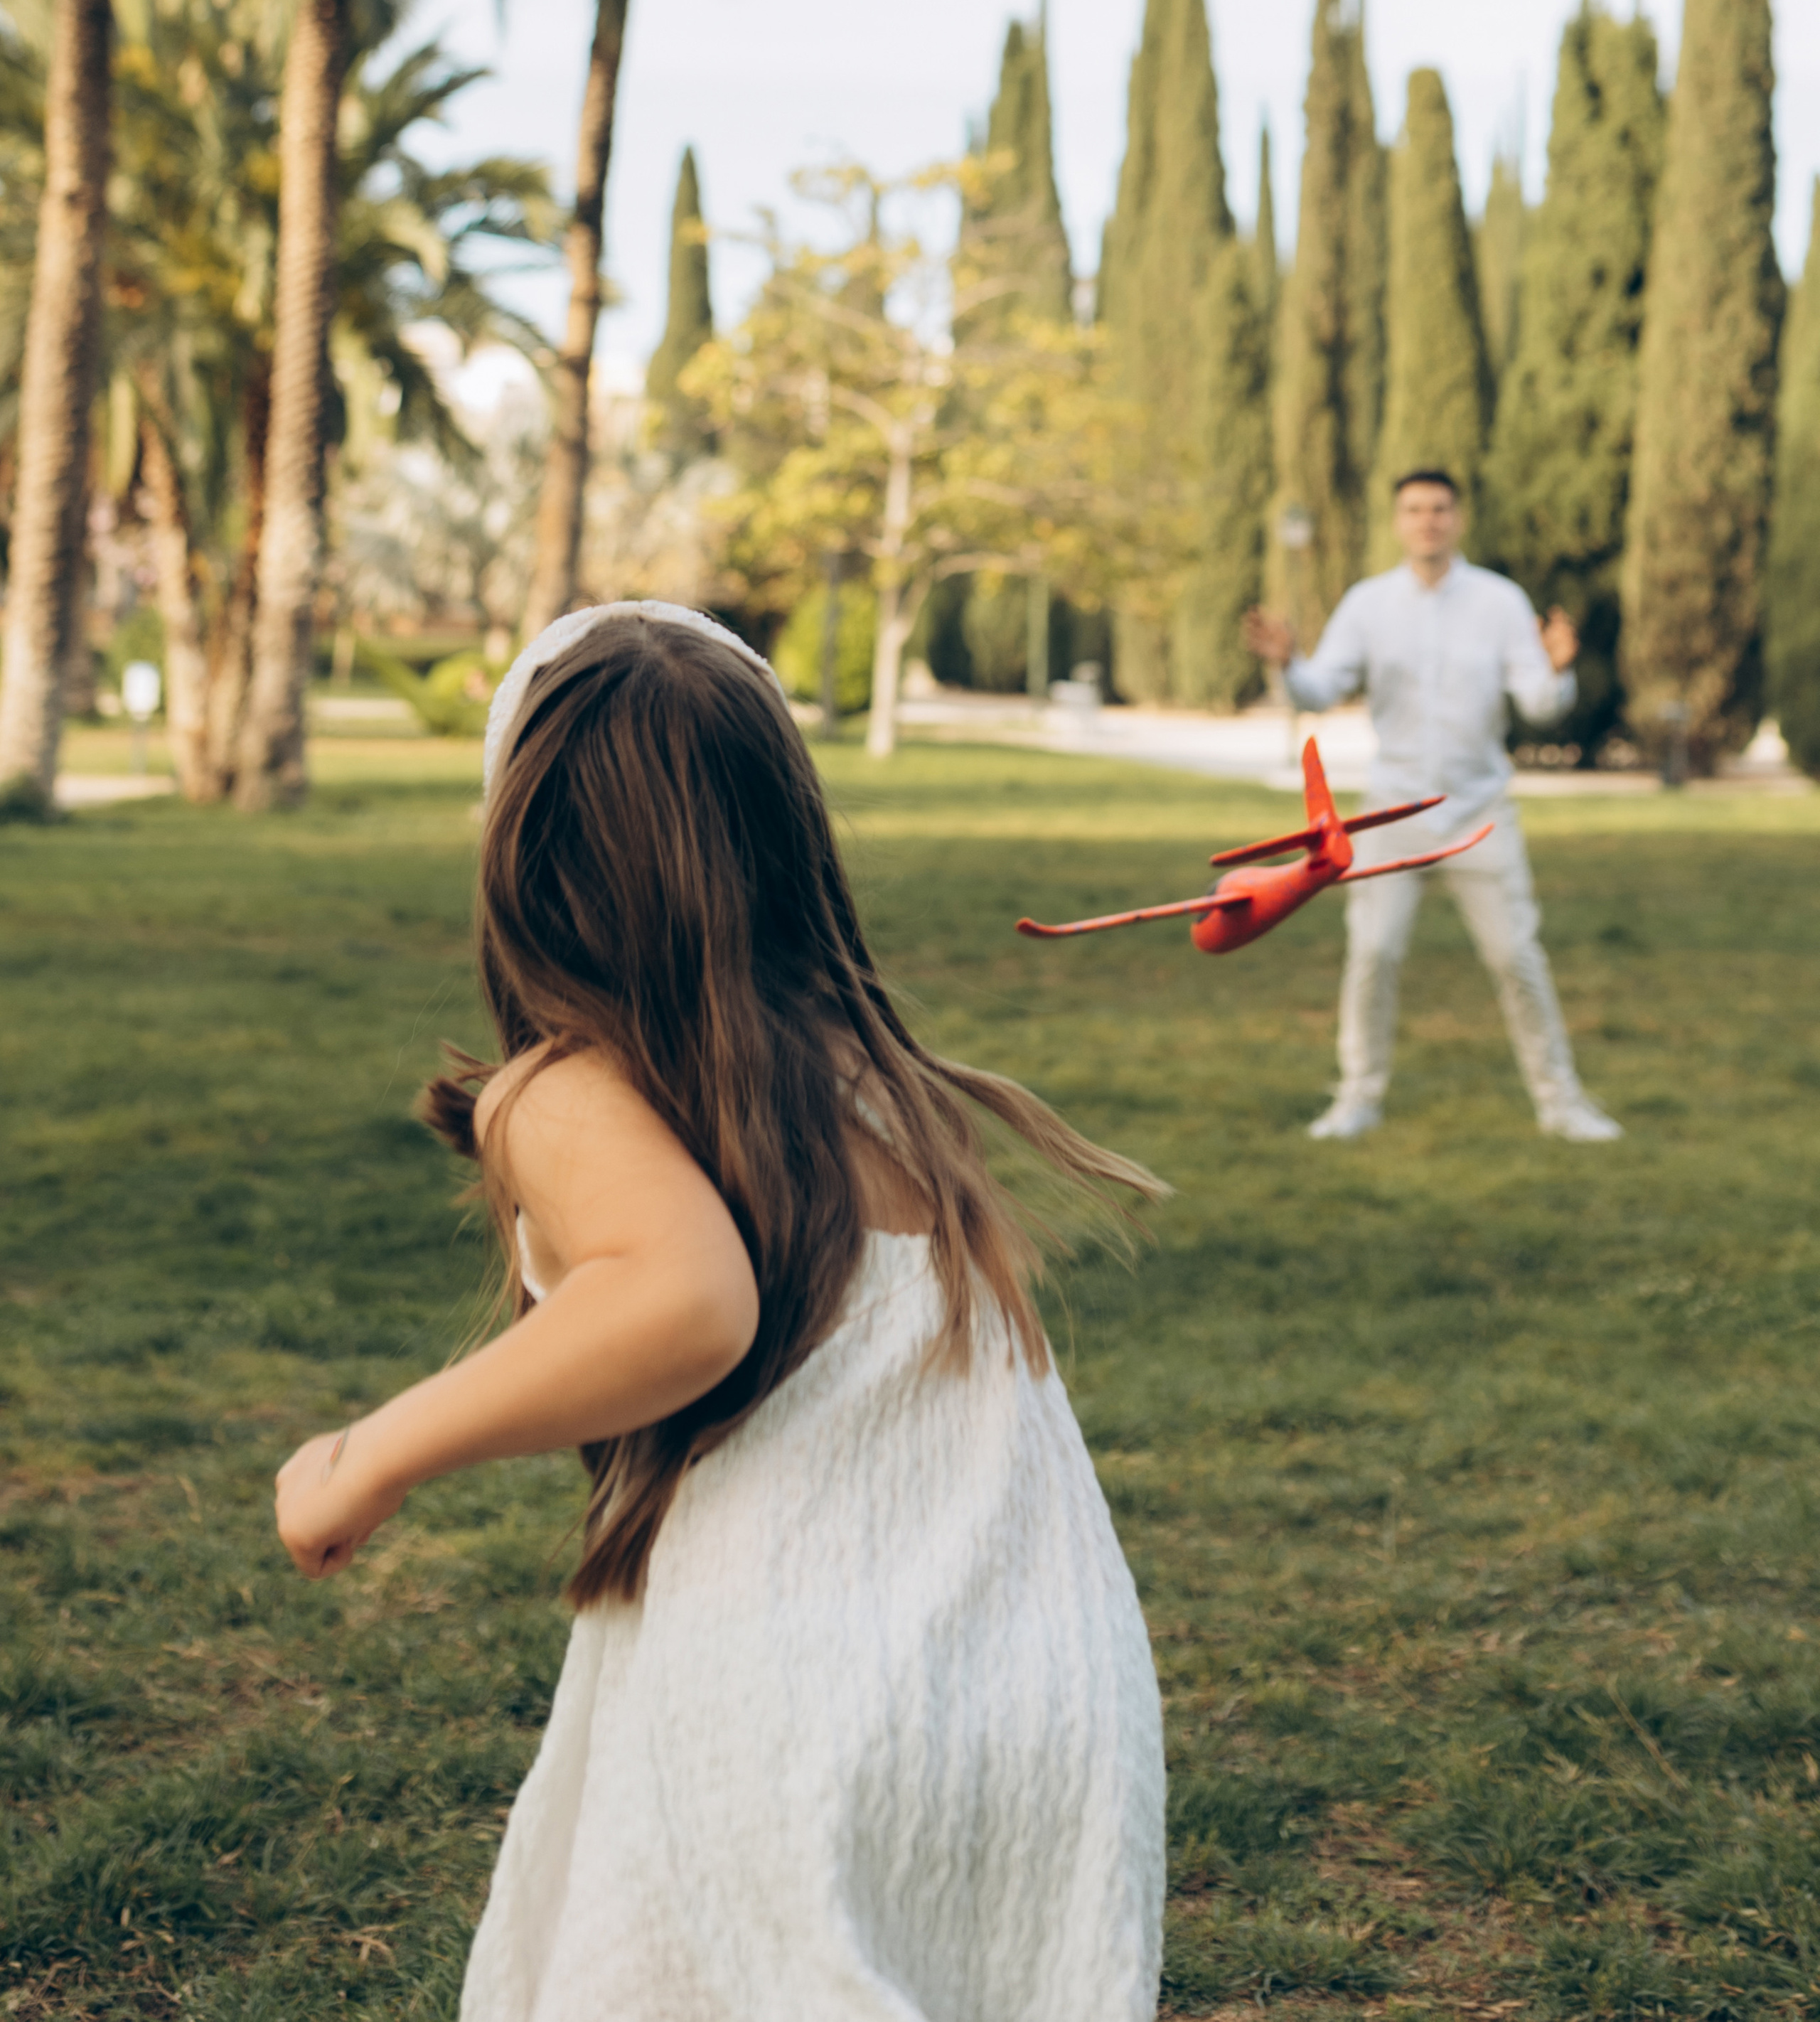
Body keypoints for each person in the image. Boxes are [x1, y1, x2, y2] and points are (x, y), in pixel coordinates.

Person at [273, 600, 1167, 2021]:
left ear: (520, 850)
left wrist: (375, 1447)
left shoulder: (560, 1090)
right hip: (1043, 1691)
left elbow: (685, 1299)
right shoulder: (873, 1073)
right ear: (789, 838)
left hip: (791, 1693)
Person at [1244, 472, 1621, 1144]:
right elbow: (1319, 689)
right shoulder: (1369, 604)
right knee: (1374, 953)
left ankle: (1561, 1102)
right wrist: (1287, 662)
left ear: (1459, 518)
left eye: (1440, 509)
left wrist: (1559, 671)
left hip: (1481, 813)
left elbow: (1538, 704)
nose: (1428, 521)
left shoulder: (1500, 602)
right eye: (1415, 510)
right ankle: (1356, 1098)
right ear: (1398, 522)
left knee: (1517, 959)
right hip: (1391, 812)